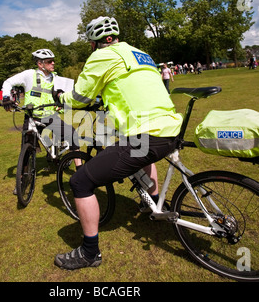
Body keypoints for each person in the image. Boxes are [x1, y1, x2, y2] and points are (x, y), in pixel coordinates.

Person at [53, 16, 183, 270]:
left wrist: (61, 98)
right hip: (170, 126)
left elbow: (80, 96)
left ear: (94, 43)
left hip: (146, 133)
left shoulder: (101, 56)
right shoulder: (140, 53)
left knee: (81, 181)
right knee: (143, 156)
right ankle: (154, 204)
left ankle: (90, 253)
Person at [1, 49, 80, 155]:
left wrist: (63, 106)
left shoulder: (56, 78)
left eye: (53, 61)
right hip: (32, 117)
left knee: (71, 133)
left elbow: (64, 96)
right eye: (49, 61)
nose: (53, 63)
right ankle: (23, 171)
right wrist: (6, 97)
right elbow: (8, 82)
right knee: (26, 148)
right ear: (40, 64)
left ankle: (78, 166)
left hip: (51, 116)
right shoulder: (29, 75)